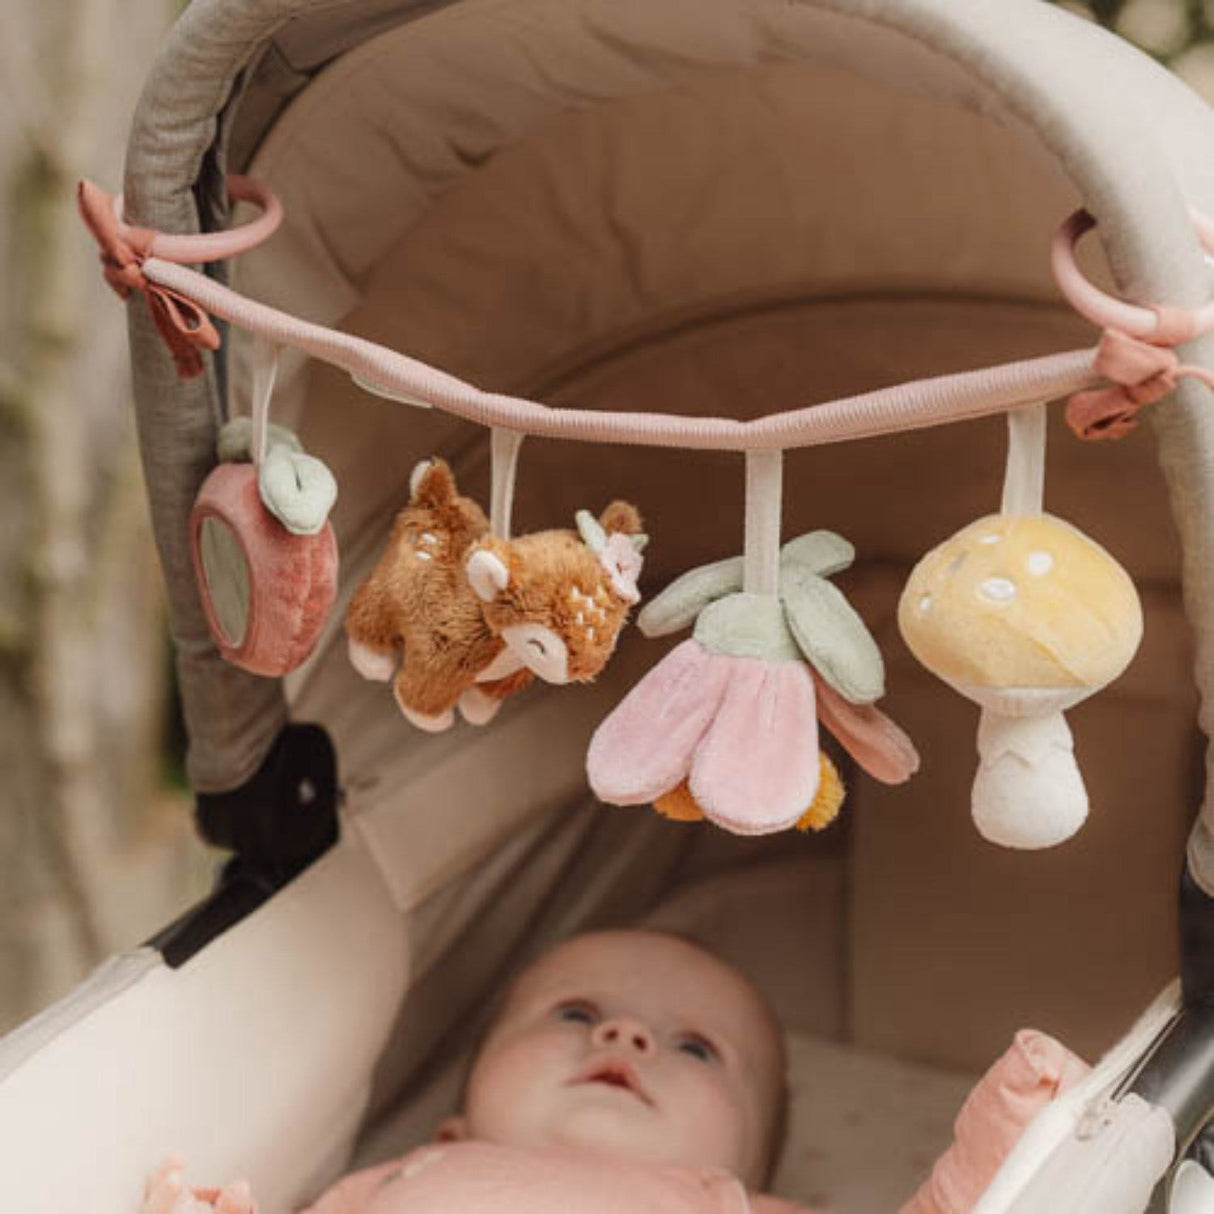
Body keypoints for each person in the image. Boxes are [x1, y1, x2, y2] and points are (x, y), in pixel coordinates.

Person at [140, 930, 814, 1213]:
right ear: (452, 1127)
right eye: (575, 1013)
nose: (626, 1034)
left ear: (754, 1174)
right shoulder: (410, 1172)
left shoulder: (727, 1204)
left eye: (696, 1048)